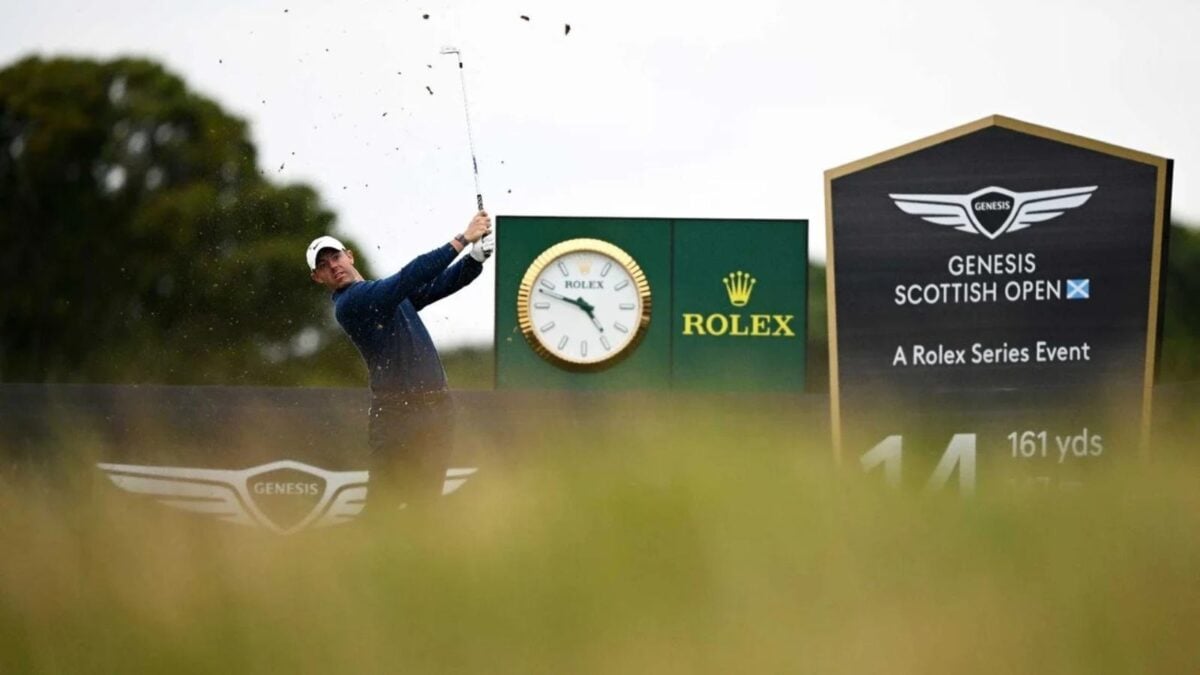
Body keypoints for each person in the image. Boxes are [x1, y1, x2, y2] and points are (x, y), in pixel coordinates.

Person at [307, 211, 494, 511]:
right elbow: (410, 276)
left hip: (436, 410)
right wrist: (462, 240)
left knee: (426, 505)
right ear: (318, 278)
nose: (333, 266)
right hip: (397, 416)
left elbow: (437, 285)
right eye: (323, 265)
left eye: (335, 257)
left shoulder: (386, 297)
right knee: (385, 505)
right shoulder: (352, 303)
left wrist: (474, 260)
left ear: (349, 256)